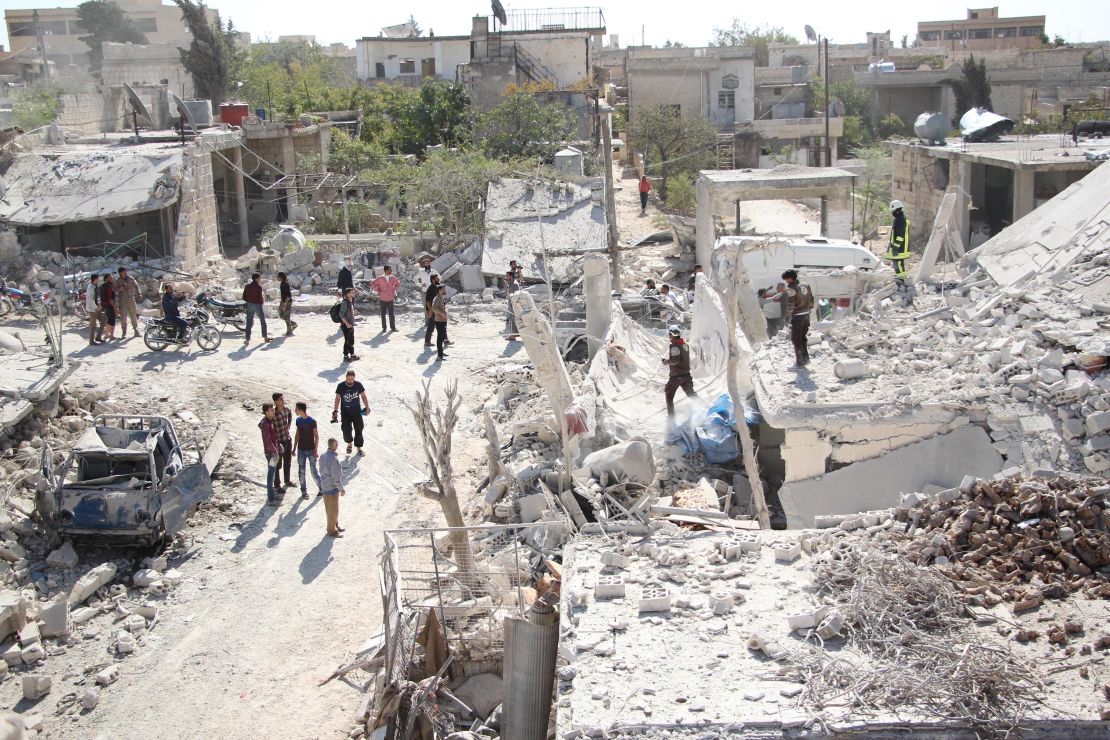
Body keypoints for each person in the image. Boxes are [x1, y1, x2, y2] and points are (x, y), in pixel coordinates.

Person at [770, 269, 814, 367]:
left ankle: (800, 362)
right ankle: (806, 358)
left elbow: (791, 304)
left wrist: (789, 316)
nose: (786, 282)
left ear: (790, 278)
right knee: (803, 337)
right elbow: (811, 300)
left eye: (786, 279)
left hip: (798, 317)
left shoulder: (792, 288)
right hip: (806, 315)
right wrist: (807, 309)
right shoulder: (806, 285)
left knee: (796, 339)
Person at [662, 325, 698, 417]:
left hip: (677, 376)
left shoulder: (675, 346)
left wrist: (665, 362)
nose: (669, 336)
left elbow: (675, 360)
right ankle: (705, 407)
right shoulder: (684, 345)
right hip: (686, 374)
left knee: (668, 393)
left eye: (669, 334)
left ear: (671, 335)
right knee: (691, 394)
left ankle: (671, 417)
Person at [332, 369, 368, 455]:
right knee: (346, 430)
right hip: (345, 413)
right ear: (346, 378)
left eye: (352, 379)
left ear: (354, 378)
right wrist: (335, 411)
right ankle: (349, 444)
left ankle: (359, 448)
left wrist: (367, 407)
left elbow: (363, 396)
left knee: (359, 429)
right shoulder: (340, 386)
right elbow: (337, 398)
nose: (350, 381)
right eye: (348, 379)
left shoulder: (358, 385)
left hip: (356, 412)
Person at [318, 438, 346, 537]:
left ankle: (335, 525)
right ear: (335, 446)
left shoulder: (322, 456)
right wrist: (341, 489)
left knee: (329, 509)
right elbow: (335, 477)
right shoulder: (333, 459)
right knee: (333, 510)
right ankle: (331, 530)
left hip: (325, 486)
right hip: (332, 488)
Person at [294, 402, 321, 500]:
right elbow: (297, 435)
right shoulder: (298, 420)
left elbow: (316, 437)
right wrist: (294, 448)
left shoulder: (312, 421)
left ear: (301, 410)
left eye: (296, 409)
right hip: (301, 449)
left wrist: (315, 450)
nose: (295, 410)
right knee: (301, 471)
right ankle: (304, 491)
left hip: (310, 450)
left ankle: (321, 488)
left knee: (313, 471)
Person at [271, 392, 293, 491]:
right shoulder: (273, 413)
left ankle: (287, 480)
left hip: (287, 439)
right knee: (277, 465)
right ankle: (277, 485)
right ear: (276, 401)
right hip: (278, 442)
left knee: (287, 462)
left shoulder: (286, 409)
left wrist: (289, 425)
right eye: (280, 399)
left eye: (282, 399)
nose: (283, 401)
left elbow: (290, 415)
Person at [259, 403, 281, 504]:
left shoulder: (269, 421)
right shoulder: (265, 424)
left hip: (273, 452)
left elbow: (273, 437)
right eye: (271, 410)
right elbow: (268, 441)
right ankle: (271, 498)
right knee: (271, 475)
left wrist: (278, 445)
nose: (273, 411)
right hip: (271, 453)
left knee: (272, 473)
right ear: (266, 412)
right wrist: (275, 452)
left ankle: (272, 495)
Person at [242, 272, 271, 345]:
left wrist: (249, 301)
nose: (260, 279)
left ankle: (247, 340)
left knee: (249, 322)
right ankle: (265, 337)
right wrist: (261, 303)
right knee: (262, 321)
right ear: (256, 279)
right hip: (257, 305)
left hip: (249, 305)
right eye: (259, 278)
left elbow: (244, 297)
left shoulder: (247, 286)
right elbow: (260, 298)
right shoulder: (258, 287)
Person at [371, 265, 401, 333]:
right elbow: (372, 283)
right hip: (382, 298)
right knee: (383, 314)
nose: (391, 271)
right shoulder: (380, 278)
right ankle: (384, 328)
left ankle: (393, 328)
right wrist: (377, 289)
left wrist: (395, 288)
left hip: (390, 298)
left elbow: (398, 283)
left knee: (391, 314)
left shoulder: (393, 278)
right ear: (386, 270)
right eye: (390, 269)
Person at [886, 200, 910, 279]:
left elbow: (900, 236)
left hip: (899, 248)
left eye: (892, 211)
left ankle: (902, 281)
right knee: (899, 265)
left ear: (896, 210)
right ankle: (903, 279)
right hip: (900, 247)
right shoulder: (902, 219)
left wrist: (895, 247)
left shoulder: (900, 220)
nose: (892, 213)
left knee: (898, 265)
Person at [116, 267, 142, 338]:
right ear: (120, 273)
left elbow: (136, 286)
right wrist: (120, 289)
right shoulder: (118, 281)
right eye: (124, 272)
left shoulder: (130, 278)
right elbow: (115, 291)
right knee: (123, 318)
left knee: (133, 316)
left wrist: (139, 294)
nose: (125, 273)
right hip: (122, 301)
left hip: (131, 300)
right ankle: (124, 332)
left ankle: (136, 331)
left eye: (125, 271)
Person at [338, 286, 359, 363]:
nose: (353, 293)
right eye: (352, 292)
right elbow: (341, 314)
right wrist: (347, 323)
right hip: (346, 325)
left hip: (350, 324)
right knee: (347, 340)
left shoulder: (350, 301)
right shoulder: (344, 302)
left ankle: (352, 354)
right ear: (347, 294)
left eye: (353, 292)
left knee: (351, 340)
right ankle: (346, 356)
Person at [432, 284, 450, 361]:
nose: (445, 291)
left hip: (443, 320)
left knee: (442, 337)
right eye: (443, 289)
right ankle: (439, 356)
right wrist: (443, 313)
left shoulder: (441, 298)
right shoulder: (437, 299)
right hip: (439, 321)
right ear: (439, 290)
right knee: (440, 338)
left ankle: (441, 352)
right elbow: (434, 308)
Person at [423, 274, 441, 348]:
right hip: (433, 310)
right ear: (433, 280)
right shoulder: (430, 288)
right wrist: (430, 310)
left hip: (436, 310)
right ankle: (427, 342)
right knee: (431, 326)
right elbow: (428, 301)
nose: (438, 280)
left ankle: (445, 340)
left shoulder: (435, 287)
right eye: (437, 279)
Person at [86, 274, 104, 346]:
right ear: (94, 279)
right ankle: (91, 341)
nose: (98, 280)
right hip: (93, 309)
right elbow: (90, 299)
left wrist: (99, 305)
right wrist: (95, 306)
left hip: (97, 307)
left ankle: (98, 337)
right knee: (93, 325)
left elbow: (97, 297)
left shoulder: (95, 286)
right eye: (97, 279)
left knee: (103, 321)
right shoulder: (90, 287)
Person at [277, 272, 297, 336]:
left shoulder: (286, 284)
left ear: (281, 277)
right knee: (281, 315)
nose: (277, 278)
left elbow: (288, 295)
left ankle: (289, 331)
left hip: (287, 301)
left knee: (286, 316)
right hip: (283, 301)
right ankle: (293, 324)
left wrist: (285, 303)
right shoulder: (282, 283)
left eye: (278, 277)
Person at [99, 273, 117, 341]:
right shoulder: (109, 287)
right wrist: (115, 308)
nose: (112, 279)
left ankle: (106, 334)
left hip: (104, 305)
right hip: (110, 305)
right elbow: (111, 299)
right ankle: (111, 335)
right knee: (112, 320)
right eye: (110, 278)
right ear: (106, 279)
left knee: (108, 320)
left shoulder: (102, 286)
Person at [503, 269, 520, 340]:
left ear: (511, 276)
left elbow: (516, 295)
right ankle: (513, 335)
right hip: (511, 304)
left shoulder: (515, 284)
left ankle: (513, 335)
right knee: (511, 319)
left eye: (507, 276)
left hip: (514, 304)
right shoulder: (511, 283)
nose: (506, 277)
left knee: (513, 319)